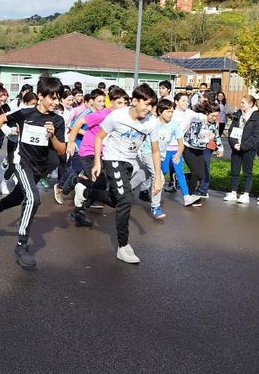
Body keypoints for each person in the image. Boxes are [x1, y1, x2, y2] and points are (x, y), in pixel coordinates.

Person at [0, 77, 66, 270]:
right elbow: (2, 118)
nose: (55, 102)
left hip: (39, 169)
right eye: (52, 98)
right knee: (33, 199)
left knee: (19, 197)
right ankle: (21, 246)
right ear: (41, 96)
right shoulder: (26, 113)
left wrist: (52, 136)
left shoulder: (58, 120)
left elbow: (61, 150)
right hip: (21, 162)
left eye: (58, 98)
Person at [88, 84, 162, 264]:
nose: (149, 109)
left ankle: (88, 192)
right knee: (126, 200)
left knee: (118, 199)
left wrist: (158, 177)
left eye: (152, 105)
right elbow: (99, 137)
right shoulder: (117, 116)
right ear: (135, 101)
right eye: (146, 104)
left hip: (130, 162)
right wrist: (97, 162)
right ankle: (123, 246)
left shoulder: (151, 122)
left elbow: (155, 151)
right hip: (112, 158)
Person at [65, 87, 128, 226]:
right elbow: (79, 123)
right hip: (89, 152)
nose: (122, 106)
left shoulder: (122, 116)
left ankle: (78, 212)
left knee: (99, 186)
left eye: (125, 103)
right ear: (111, 102)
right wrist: (70, 141)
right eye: (119, 103)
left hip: (102, 153)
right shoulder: (103, 114)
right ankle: (75, 180)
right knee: (98, 184)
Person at [150, 99, 203, 215]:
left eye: (171, 111)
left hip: (175, 150)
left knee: (180, 173)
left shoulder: (185, 116)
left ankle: (186, 197)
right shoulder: (155, 122)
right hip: (163, 152)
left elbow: (181, 142)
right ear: (177, 101)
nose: (171, 113)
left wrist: (178, 154)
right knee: (162, 173)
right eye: (183, 100)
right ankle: (152, 189)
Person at [223, 95, 259, 205]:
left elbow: (256, 136)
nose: (241, 105)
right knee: (234, 170)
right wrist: (234, 143)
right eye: (241, 102)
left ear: (251, 104)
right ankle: (233, 192)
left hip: (248, 149)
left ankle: (245, 194)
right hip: (236, 147)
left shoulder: (256, 117)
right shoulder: (238, 115)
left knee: (247, 172)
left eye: (243, 103)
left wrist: (244, 146)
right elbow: (231, 131)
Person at [182, 101, 223, 198]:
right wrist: (207, 139)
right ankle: (190, 195)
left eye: (216, 116)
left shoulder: (212, 124)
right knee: (196, 173)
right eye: (213, 116)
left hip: (200, 149)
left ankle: (181, 178)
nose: (214, 118)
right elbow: (193, 141)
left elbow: (216, 135)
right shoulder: (197, 121)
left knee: (200, 174)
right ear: (207, 113)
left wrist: (220, 148)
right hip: (189, 148)